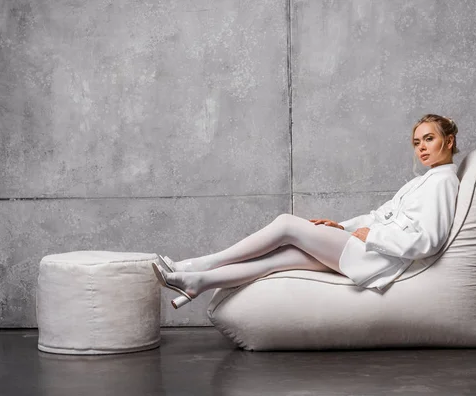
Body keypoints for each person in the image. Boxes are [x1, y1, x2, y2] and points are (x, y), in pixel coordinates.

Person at [152, 114, 460, 309]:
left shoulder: (444, 182)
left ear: (449, 140)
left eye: (429, 139)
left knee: (287, 225)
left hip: (379, 257)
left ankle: (196, 264)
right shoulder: (427, 180)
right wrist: (343, 227)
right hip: (370, 248)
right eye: (416, 142)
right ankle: (198, 283)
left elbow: (429, 241)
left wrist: (372, 235)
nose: (421, 148)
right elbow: (381, 216)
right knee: (279, 260)